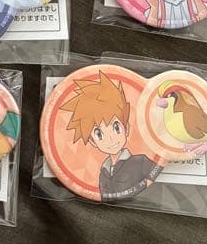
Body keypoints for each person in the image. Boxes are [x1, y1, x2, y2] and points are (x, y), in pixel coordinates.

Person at [59, 71, 162, 203]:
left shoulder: (140, 161)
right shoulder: (104, 172)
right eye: (99, 134)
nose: (111, 139)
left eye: (116, 127)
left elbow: (155, 170)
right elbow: (103, 195)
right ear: (93, 142)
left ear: (126, 128)